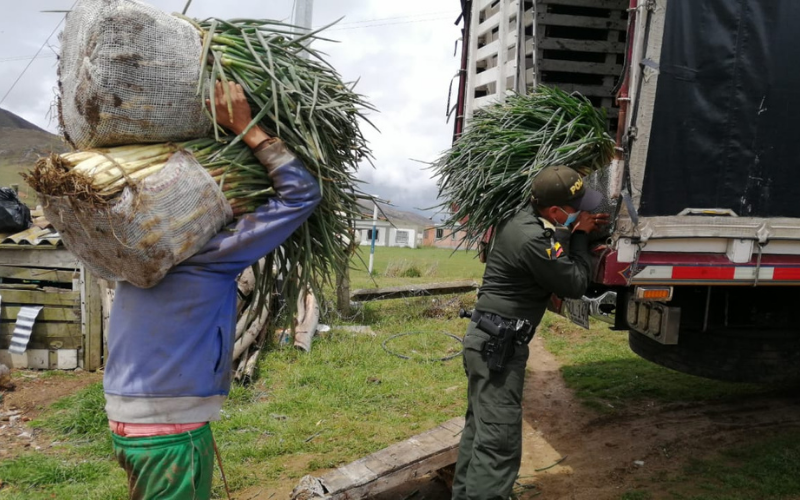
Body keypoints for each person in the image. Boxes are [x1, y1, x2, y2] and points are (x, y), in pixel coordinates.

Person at [103, 81, 321, 500]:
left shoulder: (135, 247)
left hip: (133, 419)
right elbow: (301, 196)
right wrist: (248, 129)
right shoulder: (207, 254)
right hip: (168, 433)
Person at [451, 165, 609, 500]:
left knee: (479, 431)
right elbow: (574, 282)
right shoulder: (534, 240)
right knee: (498, 444)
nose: (581, 211)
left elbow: (550, 246)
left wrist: (571, 231)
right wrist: (580, 236)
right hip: (499, 349)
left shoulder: (518, 220)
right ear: (555, 211)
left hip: (486, 341)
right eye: (576, 207)